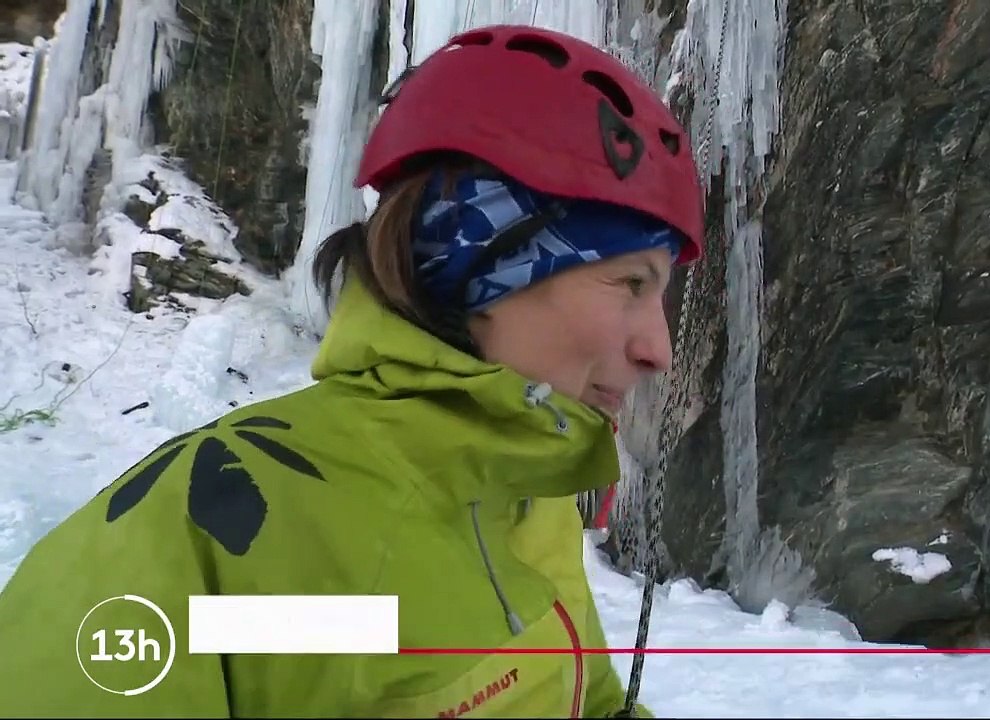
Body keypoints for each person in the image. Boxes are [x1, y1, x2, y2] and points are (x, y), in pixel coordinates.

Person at [0, 23, 703, 718]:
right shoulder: (196, 535)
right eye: (629, 284)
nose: (659, 349)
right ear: (478, 269)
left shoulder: (528, 496)